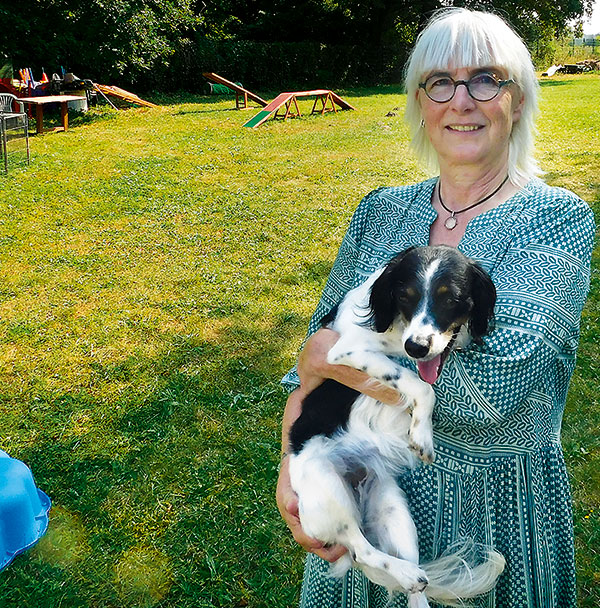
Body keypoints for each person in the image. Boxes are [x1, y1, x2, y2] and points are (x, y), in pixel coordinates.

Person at [275, 8, 595, 608]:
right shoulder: (380, 212)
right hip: (356, 490)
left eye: (486, 80)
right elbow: (308, 365)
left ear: (518, 100)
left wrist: (327, 354)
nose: (462, 101)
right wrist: (293, 458)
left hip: (490, 510)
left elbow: (499, 390)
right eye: (439, 83)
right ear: (421, 104)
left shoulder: (556, 220)